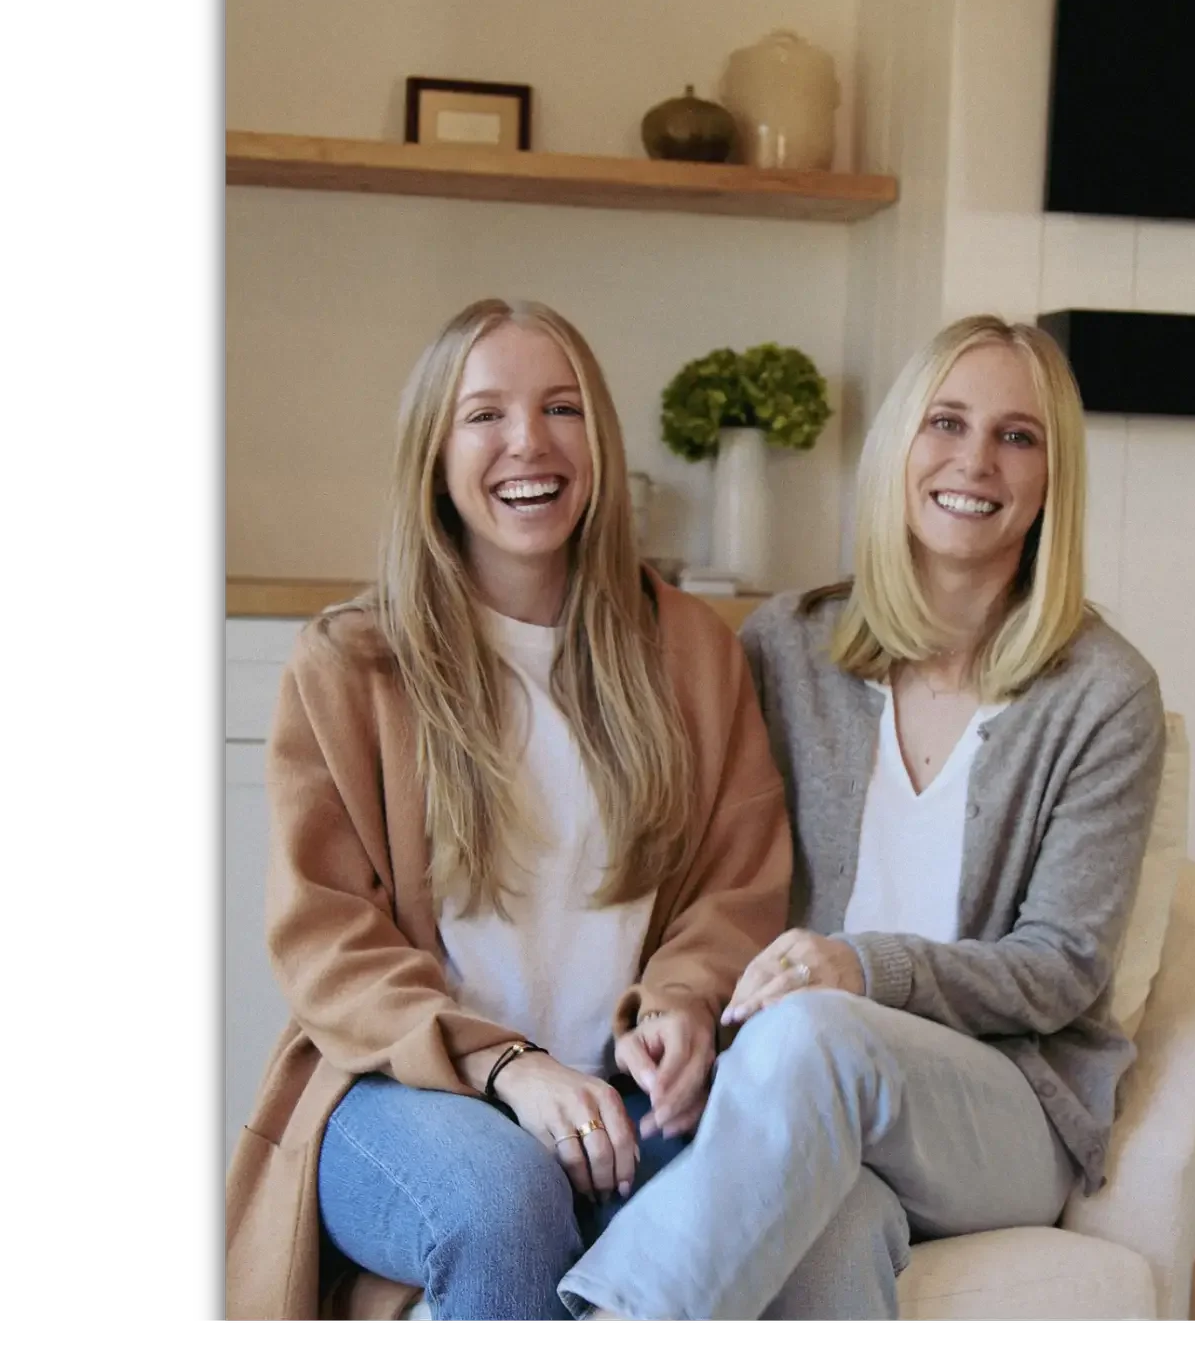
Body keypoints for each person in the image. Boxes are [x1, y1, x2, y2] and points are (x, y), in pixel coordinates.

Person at [556, 314, 1167, 1321]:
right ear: (897, 449)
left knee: (818, 1035)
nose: (976, 460)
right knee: (829, 1239)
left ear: (1054, 477)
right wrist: (676, 1008)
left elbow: (1063, 965)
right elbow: (715, 874)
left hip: (1002, 1112)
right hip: (801, 1100)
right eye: (948, 423)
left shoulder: (1103, 694)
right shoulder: (788, 647)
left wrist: (862, 968)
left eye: (1019, 437)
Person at [224, 298, 792, 1322]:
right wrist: (510, 1070)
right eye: (484, 415)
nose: (528, 442)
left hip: (622, 1092)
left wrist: (680, 1005)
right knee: (508, 1199)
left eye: (561, 408)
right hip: (400, 1090)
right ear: (433, 453)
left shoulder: (693, 651)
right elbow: (328, 944)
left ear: (601, 443)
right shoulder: (349, 664)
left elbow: (736, 883)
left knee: (764, 1185)